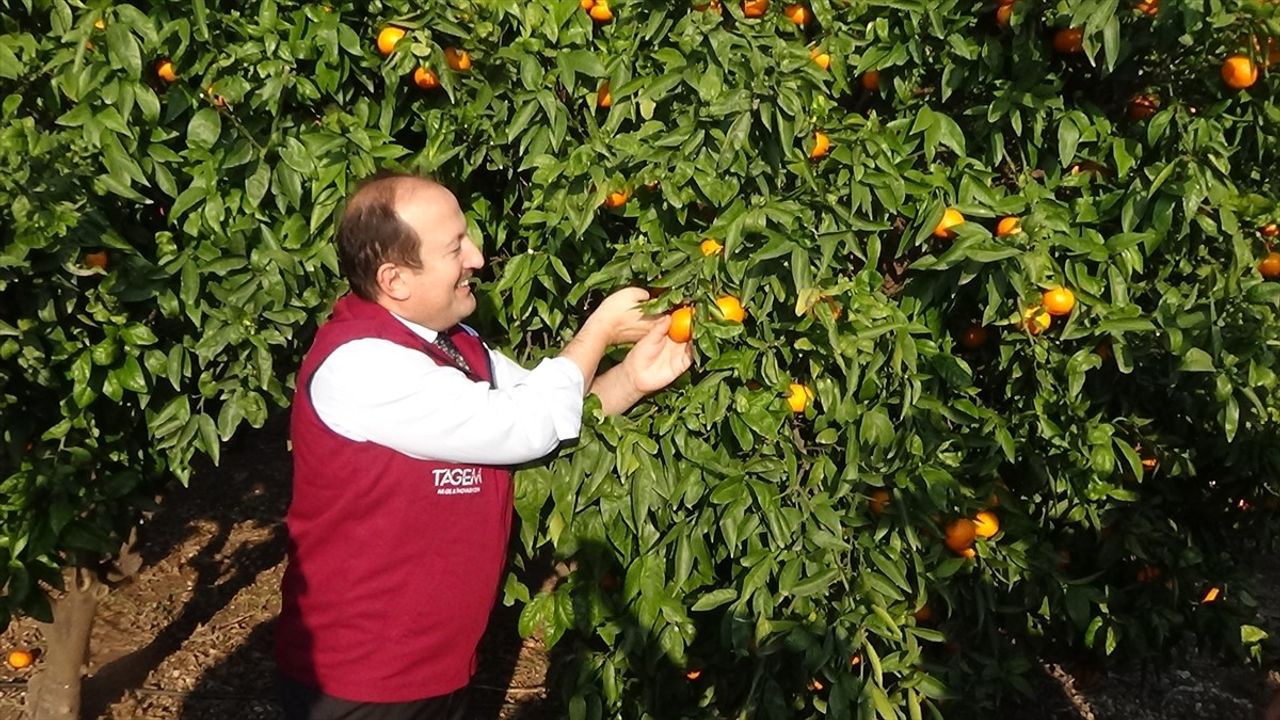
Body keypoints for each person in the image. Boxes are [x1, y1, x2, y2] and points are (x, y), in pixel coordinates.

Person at [273, 171, 693, 720]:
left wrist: (632, 379)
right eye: (455, 248)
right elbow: (526, 422)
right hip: (363, 678)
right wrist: (599, 333)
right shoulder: (362, 365)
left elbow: (550, 414)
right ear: (395, 279)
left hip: (433, 661)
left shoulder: (453, 344)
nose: (477, 257)